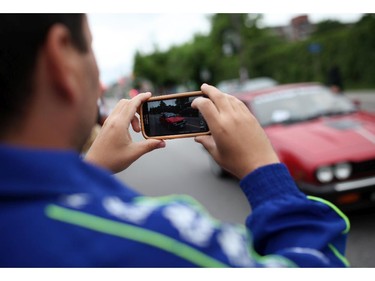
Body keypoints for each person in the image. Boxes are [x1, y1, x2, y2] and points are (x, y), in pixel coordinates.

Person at [0, 14, 349, 267]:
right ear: (61, 58)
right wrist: (263, 170)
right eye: (89, 47)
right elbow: (317, 264)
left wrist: (89, 170)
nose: (99, 78)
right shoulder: (159, 241)